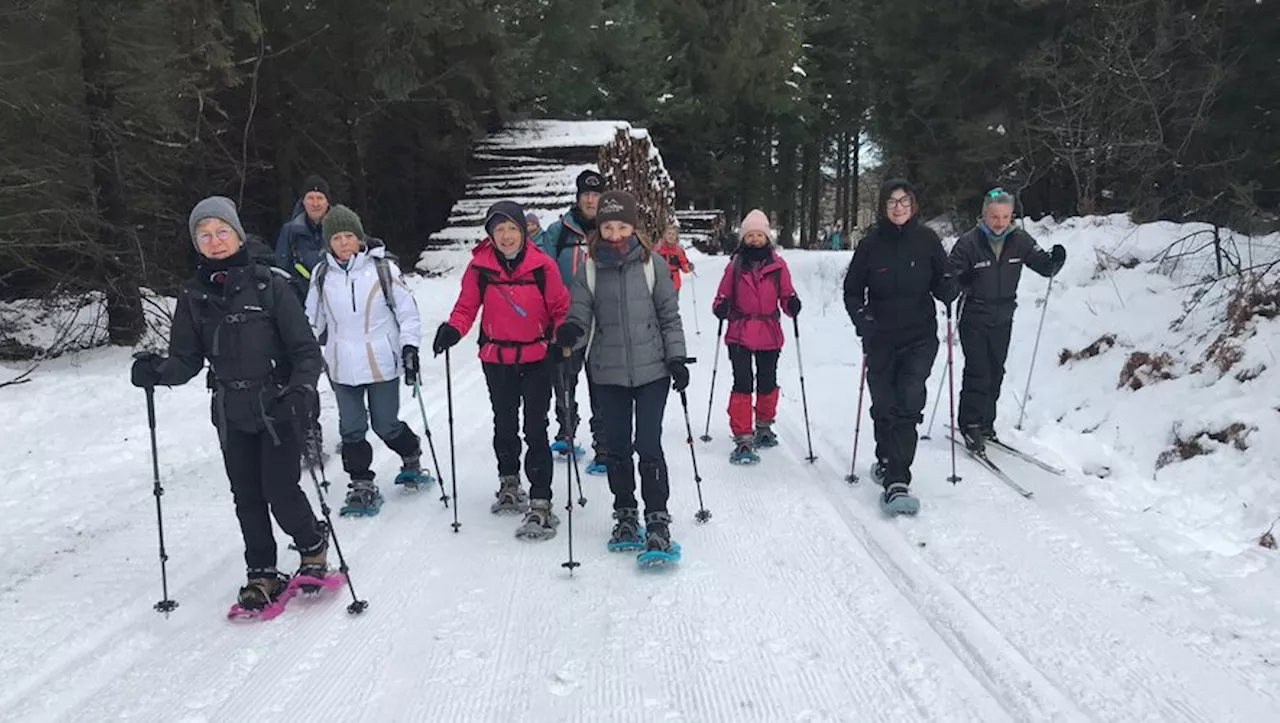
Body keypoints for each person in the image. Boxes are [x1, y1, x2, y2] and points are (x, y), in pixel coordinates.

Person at [130, 196, 329, 611]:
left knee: (279, 490)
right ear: (196, 244)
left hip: (277, 404)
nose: (215, 241)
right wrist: (156, 371)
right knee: (247, 496)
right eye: (205, 235)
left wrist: (301, 390)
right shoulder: (194, 296)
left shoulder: (269, 284)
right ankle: (261, 572)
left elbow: (306, 350)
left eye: (222, 232)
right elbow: (186, 359)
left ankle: (311, 542)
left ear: (237, 235)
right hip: (230, 410)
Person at [555, 190, 688, 558]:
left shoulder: (653, 265)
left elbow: (669, 317)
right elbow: (579, 316)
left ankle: (657, 517)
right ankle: (625, 512)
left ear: (634, 226)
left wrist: (676, 358)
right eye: (609, 226)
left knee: (647, 444)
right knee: (616, 448)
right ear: (600, 228)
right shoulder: (591, 268)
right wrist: (570, 333)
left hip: (652, 372)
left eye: (622, 226)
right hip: (607, 373)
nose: (615, 234)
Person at [434, 200, 570, 540]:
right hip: (496, 358)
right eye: (499, 230)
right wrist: (453, 329)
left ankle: (541, 499)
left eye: (512, 229)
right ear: (490, 235)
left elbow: (560, 308)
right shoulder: (480, 268)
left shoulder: (543, 267)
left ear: (523, 231)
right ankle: (509, 481)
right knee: (504, 423)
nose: (506, 236)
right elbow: (466, 307)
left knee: (535, 427)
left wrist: (563, 333)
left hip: (537, 357)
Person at [843, 180, 958, 515]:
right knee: (885, 404)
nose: (898, 207)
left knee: (909, 401)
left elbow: (942, 279)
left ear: (913, 205)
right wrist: (861, 318)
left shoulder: (927, 240)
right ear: (883, 207)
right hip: (880, 337)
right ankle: (884, 456)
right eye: (892, 202)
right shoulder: (870, 245)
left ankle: (897, 480)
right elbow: (852, 290)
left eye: (904, 201)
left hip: (919, 336)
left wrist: (949, 287)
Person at [304, 205, 426, 516]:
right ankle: (361, 483)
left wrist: (409, 347)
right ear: (328, 242)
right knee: (351, 428)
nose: (343, 243)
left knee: (385, 424)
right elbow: (311, 319)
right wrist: (300, 351)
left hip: (381, 360)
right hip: (341, 364)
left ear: (359, 239)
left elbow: (407, 313)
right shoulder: (321, 275)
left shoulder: (383, 269)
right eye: (336, 238)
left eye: (349, 236)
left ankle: (411, 455)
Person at [948, 188, 1065, 452]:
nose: (999, 223)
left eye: (1005, 217)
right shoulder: (969, 242)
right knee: (978, 370)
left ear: (1011, 216)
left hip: (1003, 315)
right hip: (974, 313)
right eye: (994, 216)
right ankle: (970, 424)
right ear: (984, 215)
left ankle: (986, 422)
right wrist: (960, 280)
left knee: (996, 370)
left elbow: (1043, 265)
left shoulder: (1019, 240)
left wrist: (1056, 260)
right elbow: (949, 276)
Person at [711, 209, 800, 465]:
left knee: (767, 380)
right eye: (750, 235)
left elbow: (786, 293)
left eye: (759, 234)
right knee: (742, 382)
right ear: (744, 238)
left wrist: (791, 303)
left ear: (767, 237)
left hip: (769, 333)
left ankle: (763, 425)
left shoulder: (778, 265)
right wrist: (721, 306)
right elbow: (722, 294)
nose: (755, 239)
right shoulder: (735, 265)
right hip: (739, 332)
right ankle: (742, 434)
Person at [539, 169, 608, 473]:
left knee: (603, 384)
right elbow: (543, 269)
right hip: (567, 320)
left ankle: (603, 444)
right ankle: (566, 430)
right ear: (578, 198)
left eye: (596, 195)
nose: (591, 200)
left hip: (606, 321)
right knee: (564, 379)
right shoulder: (559, 231)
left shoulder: (613, 228)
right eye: (586, 195)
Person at [275, 175, 331, 298]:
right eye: (310, 198)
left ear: (327, 202)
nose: (315, 203)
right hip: (300, 298)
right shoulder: (289, 231)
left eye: (320, 198)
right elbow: (281, 270)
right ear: (303, 201)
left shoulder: (341, 230)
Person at [654, 221, 693, 292]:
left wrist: (688, 267)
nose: (671, 236)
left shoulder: (678, 250)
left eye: (673, 234)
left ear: (676, 236)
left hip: (674, 283)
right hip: (659, 282)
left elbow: (684, 265)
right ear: (664, 235)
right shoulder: (658, 248)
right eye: (669, 233)